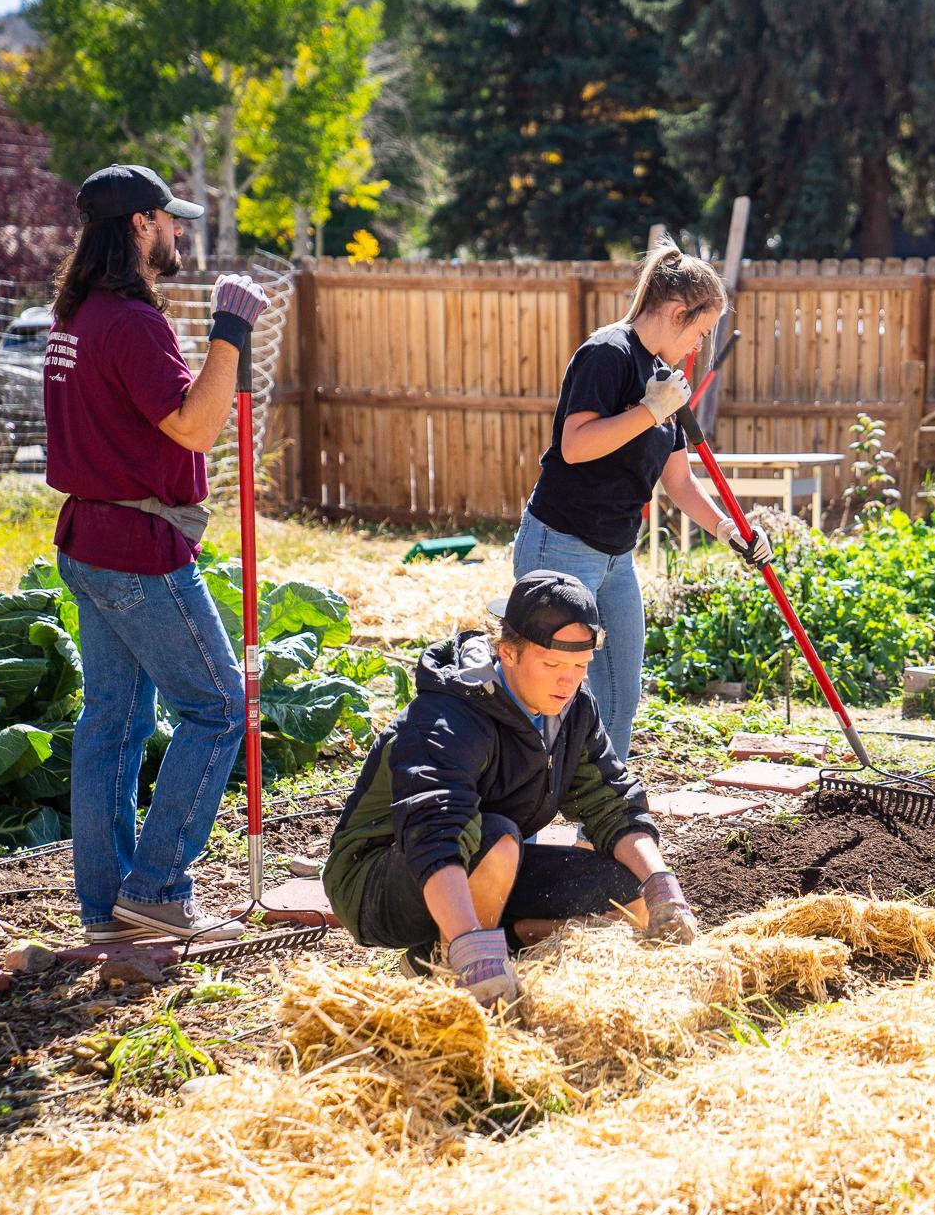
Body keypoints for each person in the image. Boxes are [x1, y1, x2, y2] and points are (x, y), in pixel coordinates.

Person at [44, 164, 270, 943]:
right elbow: (193, 427)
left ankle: (107, 910)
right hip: (138, 550)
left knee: (111, 721)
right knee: (218, 706)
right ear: (140, 225)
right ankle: (161, 888)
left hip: (88, 536)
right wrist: (230, 332)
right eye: (169, 219)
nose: (178, 231)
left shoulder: (75, 317)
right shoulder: (132, 323)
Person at [323, 571, 698, 1005]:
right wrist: (470, 950)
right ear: (509, 652)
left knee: (625, 897)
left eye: (580, 667)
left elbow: (611, 800)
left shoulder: (571, 710)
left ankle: (444, 957)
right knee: (498, 837)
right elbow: (435, 831)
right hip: (380, 880)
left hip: (489, 863)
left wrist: (659, 883)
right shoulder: (450, 714)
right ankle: (456, 973)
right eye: (553, 665)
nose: (568, 682)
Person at [515, 242, 770, 760]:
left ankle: (601, 831)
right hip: (560, 546)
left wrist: (728, 530)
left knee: (619, 699)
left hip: (615, 557)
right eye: (700, 332)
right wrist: (650, 411)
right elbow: (576, 445)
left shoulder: (663, 379)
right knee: (547, 696)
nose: (699, 346)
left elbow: (678, 481)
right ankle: (524, 827)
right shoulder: (606, 354)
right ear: (679, 313)